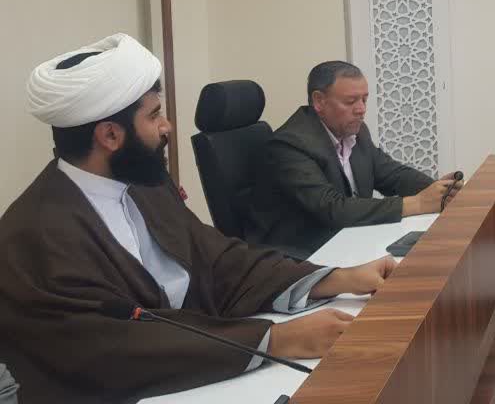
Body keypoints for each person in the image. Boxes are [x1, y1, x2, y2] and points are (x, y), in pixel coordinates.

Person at [0, 34, 395, 403]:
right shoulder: (33, 236)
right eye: (155, 116)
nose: (167, 127)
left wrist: (333, 279)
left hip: (202, 373)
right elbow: (113, 351)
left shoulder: (145, 186)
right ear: (110, 136)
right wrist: (274, 340)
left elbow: (219, 259)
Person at [250, 61, 461, 256]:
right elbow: (332, 209)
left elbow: (392, 174)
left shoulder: (355, 131)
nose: (361, 109)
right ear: (319, 101)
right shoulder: (289, 145)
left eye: (364, 99)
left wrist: (443, 191)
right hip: (300, 253)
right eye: (350, 101)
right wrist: (418, 203)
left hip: (348, 239)